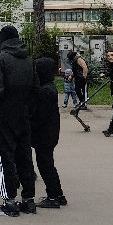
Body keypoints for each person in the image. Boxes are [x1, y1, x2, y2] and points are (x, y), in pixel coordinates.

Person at [0, 25, 38, 217]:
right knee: (24, 154)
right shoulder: (28, 59)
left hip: (4, 114)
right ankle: (28, 199)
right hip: (24, 113)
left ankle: (9, 200)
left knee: (4, 155)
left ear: (2, 40)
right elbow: (36, 87)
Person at [31, 57, 66, 209]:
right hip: (50, 132)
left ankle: (53, 196)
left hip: (44, 134)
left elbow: (40, 116)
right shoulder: (49, 87)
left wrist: (29, 126)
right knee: (48, 164)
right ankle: (58, 194)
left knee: (45, 165)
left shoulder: (44, 91)